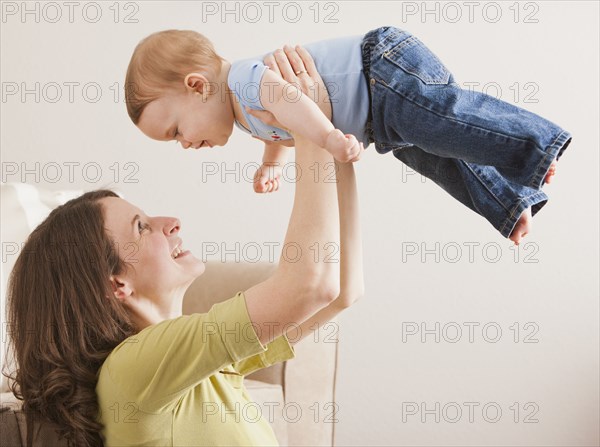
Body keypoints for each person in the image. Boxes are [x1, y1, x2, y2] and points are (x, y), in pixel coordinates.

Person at [3, 49, 364, 446]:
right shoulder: (131, 370)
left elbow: (342, 291)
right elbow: (311, 286)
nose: (171, 223)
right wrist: (308, 124)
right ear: (115, 284)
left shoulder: (195, 368)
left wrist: (332, 141)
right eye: (142, 227)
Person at [124, 26, 572, 246]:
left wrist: (329, 138)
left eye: (176, 131)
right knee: (439, 157)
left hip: (382, 70)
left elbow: (290, 100)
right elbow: (280, 131)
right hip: (379, 120)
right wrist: (268, 165)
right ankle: (510, 206)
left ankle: (534, 145)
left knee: (445, 121)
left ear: (197, 86)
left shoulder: (241, 80)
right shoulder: (241, 115)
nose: (184, 144)